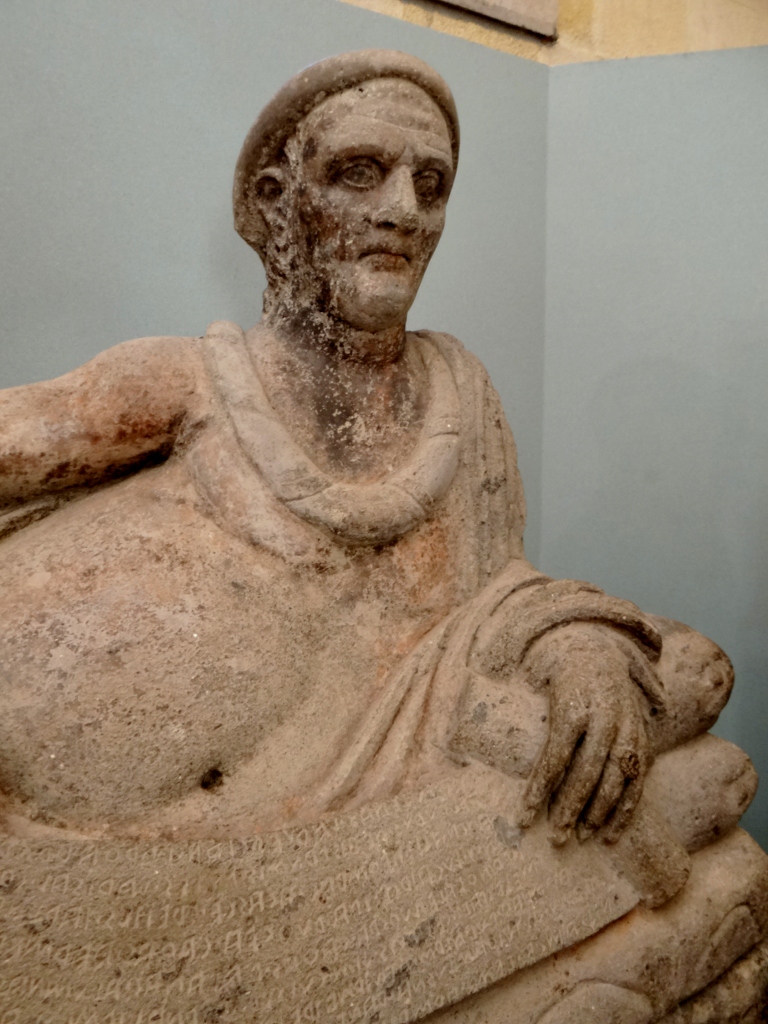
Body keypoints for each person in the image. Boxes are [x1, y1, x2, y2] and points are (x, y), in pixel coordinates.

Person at [0, 50, 764, 1023]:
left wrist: (576, 643)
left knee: (686, 671)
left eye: (430, 184)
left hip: (402, 712)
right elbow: (25, 437)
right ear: (278, 200)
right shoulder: (196, 378)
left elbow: (496, 586)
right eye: (361, 172)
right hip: (171, 777)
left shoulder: (457, 387)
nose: (403, 208)